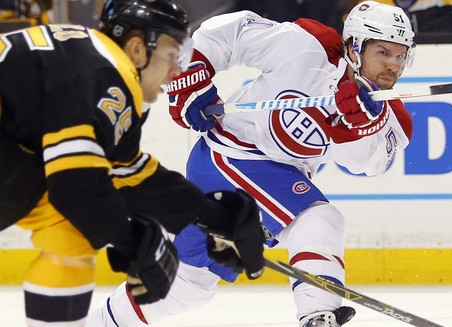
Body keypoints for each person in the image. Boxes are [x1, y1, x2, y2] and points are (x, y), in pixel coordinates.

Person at [88, 1, 414, 326]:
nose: (392, 66)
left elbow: (366, 164)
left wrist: (361, 124)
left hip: (269, 180)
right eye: (382, 53)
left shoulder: (388, 113)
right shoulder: (308, 45)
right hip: (229, 156)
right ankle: (317, 314)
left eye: (400, 55)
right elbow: (233, 32)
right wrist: (191, 73)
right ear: (354, 48)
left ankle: (97, 323)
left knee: (185, 287)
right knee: (317, 218)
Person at [0, 0, 266, 326]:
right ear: (138, 49)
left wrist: (210, 215)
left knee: (69, 231)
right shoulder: (107, 74)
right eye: (170, 56)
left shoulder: (85, 57)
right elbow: (75, 185)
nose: (176, 70)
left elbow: (127, 173)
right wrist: (134, 241)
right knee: (72, 222)